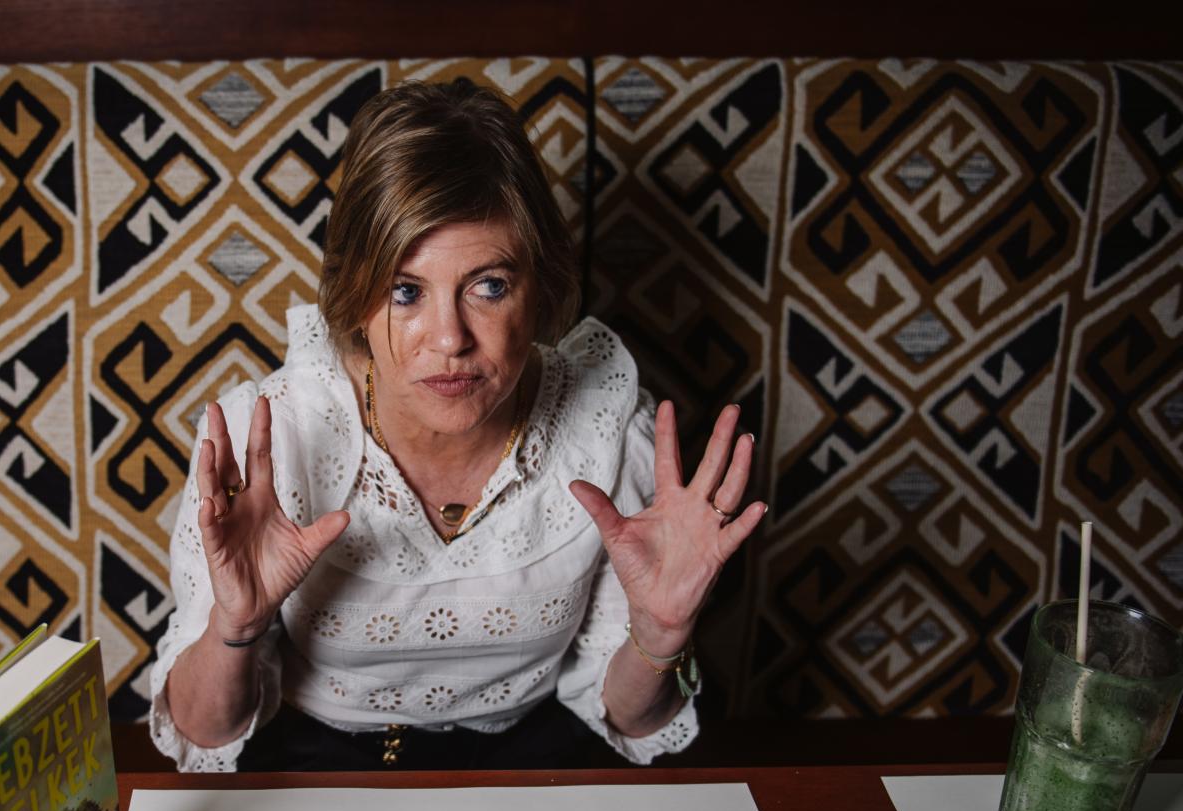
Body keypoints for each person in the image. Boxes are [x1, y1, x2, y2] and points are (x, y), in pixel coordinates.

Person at [147, 80, 766, 772]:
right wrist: (236, 627)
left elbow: (632, 718)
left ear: (539, 289)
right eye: (405, 291)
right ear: (353, 296)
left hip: (531, 762)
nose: (450, 339)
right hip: (314, 764)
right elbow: (202, 733)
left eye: (488, 286)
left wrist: (661, 631)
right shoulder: (263, 441)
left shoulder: (608, 431)